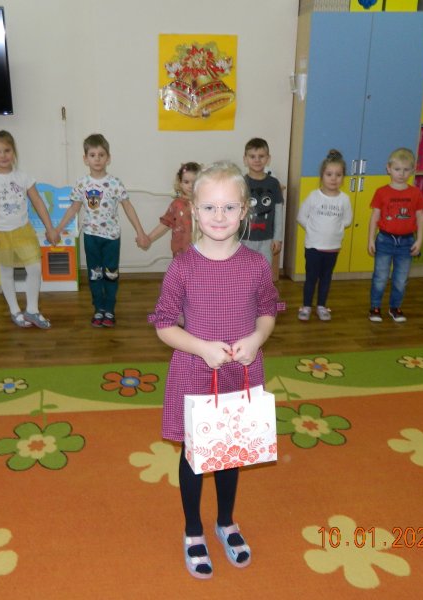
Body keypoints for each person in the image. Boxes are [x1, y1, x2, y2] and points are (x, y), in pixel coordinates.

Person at [148, 161, 284, 580]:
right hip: (195, 371)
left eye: (229, 207)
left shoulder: (256, 265)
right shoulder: (183, 266)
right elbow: (164, 325)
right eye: (209, 207)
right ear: (194, 209)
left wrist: (257, 338)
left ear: (244, 210)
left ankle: (226, 521)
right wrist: (202, 348)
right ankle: (193, 529)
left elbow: (267, 311)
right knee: (194, 455)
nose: (219, 216)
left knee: (230, 453)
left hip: (241, 374)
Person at [55, 133, 150, 328]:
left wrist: (140, 232)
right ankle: (98, 308)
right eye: (92, 155)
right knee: (95, 274)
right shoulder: (82, 183)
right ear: (85, 159)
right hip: (91, 237)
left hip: (111, 238)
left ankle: (109, 309)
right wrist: (57, 229)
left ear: (108, 158)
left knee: (111, 274)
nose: (97, 159)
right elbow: (73, 209)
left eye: (101, 155)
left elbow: (128, 207)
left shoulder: (115, 183)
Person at [0, 130, 60, 329]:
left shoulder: (23, 176)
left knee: (35, 268)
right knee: (6, 271)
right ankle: (15, 310)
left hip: (23, 231)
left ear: (14, 152)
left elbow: (38, 202)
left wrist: (50, 228)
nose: (3, 155)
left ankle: (32, 310)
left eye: (7, 150)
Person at [367, 148, 423, 323]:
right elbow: (375, 217)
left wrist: (419, 240)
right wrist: (371, 239)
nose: (401, 174)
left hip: (407, 241)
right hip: (385, 240)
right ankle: (375, 307)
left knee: (401, 279)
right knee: (380, 277)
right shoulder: (381, 192)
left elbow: (420, 217)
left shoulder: (415, 193)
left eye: (406, 170)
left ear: (412, 170)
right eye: (397, 169)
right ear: (388, 169)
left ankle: (395, 307)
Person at [296, 149, 352, 322]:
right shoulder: (314, 196)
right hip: (313, 247)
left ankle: (321, 305)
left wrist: (336, 229)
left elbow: (347, 220)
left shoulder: (344, 199)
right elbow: (301, 216)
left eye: (338, 175)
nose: (333, 178)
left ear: (343, 177)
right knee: (311, 278)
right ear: (322, 176)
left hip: (332, 248)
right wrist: (313, 229)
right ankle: (306, 306)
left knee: (326, 278)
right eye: (329, 174)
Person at [240, 138, 284, 267]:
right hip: (244, 239)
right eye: (252, 156)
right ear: (245, 159)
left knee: (264, 271)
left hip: (267, 240)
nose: (257, 160)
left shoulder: (273, 183)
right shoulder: (240, 183)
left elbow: (279, 212)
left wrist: (278, 238)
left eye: (261, 156)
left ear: (268, 159)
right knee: (245, 271)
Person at [146, 162, 200, 257]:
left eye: (195, 182)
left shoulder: (207, 204)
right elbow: (165, 223)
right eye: (186, 182)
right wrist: (149, 238)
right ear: (180, 183)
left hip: (202, 252)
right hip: (181, 252)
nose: (191, 186)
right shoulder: (176, 205)